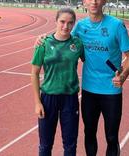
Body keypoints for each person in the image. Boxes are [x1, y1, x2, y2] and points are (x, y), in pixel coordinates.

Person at [36, 0, 129, 156]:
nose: (94, 2)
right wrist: (44, 37)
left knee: (111, 137)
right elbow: (62, 35)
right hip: (89, 90)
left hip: (111, 91)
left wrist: (123, 75)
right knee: (89, 134)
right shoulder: (80, 27)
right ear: (84, 1)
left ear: (104, 1)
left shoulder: (116, 25)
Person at [31, 8, 84, 156]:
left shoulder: (78, 44)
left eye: (70, 23)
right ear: (55, 21)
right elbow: (34, 73)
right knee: (45, 144)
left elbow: (91, 62)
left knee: (70, 144)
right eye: (62, 22)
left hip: (70, 98)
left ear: (74, 24)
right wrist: (37, 102)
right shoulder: (44, 43)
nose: (65, 26)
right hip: (48, 98)